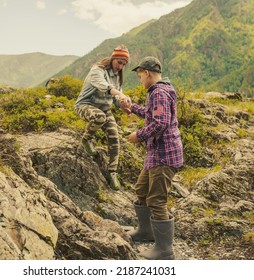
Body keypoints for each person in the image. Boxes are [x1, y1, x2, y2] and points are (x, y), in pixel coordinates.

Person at [122, 56, 183, 260]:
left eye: (140, 76)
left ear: (147, 73)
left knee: (156, 200)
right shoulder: (158, 92)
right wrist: (131, 108)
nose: (140, 80)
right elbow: (151, 115)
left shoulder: (159, 93)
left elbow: (160, 123)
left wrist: (137, 136)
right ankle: (146, 232)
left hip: (163, 156)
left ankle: (164, 250)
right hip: (155, 155)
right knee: (141, 190)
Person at [74, 45, 132, 190]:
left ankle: (112, 172)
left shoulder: (118, 78)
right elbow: (103, 85)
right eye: (119, 62)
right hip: (85, 105)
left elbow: (116, 100)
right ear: (113, 58)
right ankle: (86, 139)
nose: (121, 66)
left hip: (105, 109)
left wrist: (124, 105)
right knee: (100, 117)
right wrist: (119, 94)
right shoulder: (97, 70)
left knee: (115, 137)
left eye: (124, 64)